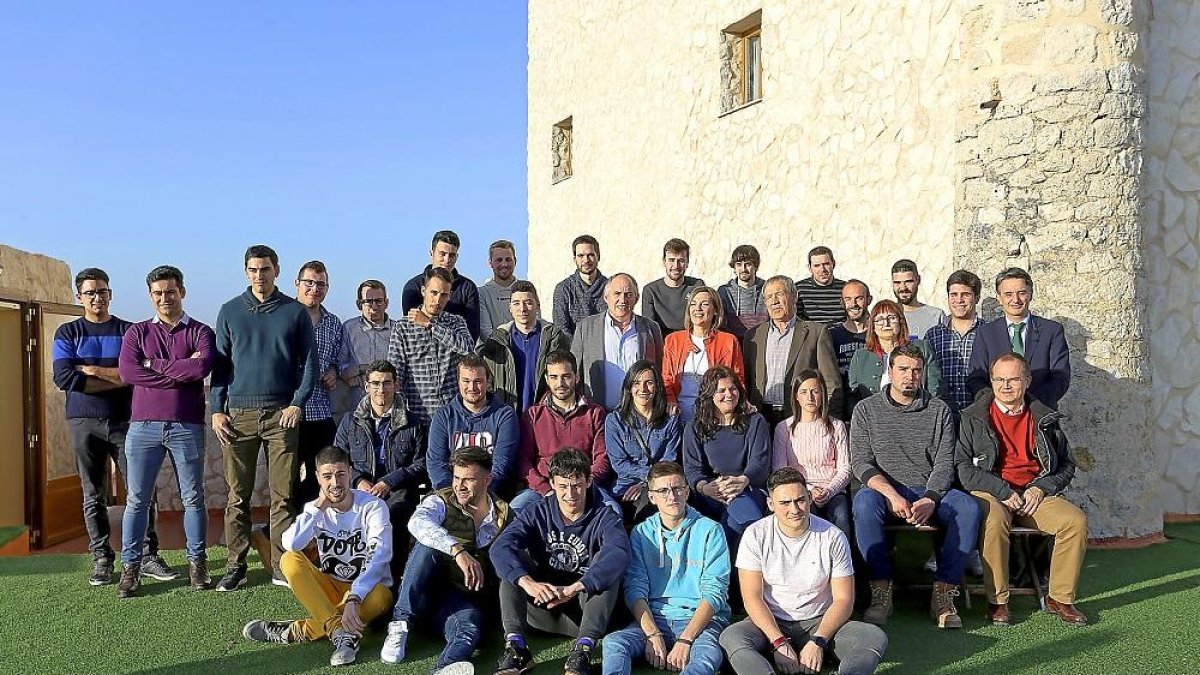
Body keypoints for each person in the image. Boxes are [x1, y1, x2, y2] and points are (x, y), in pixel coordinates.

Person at [210, 244, 318, 590]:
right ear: (246, 272)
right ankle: (235, 565)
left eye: (266, 269)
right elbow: (221, 367)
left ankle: (278, 566)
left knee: (282, 496)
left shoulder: (294, 312)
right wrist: (217, 411)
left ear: (277, 271)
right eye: (254, 270)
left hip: (281, 417)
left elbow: (311, 364)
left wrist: (297, 402)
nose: (260, 275)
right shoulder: (229, 311)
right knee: (237, 496)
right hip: (237, 416)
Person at [850, 343, 979, 628]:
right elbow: (861, 463)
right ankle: (881, 591)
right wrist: (892, 495)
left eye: (916, 370)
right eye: (904, 369)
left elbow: (946, 463)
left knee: (968, 508)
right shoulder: (866, 410)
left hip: (928, 490)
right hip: (886, 492)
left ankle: (944, 593)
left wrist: (931, 498)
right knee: (863, 503)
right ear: (890, 372)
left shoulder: (939, 410)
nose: (910, 376)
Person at [52, 267, 165, 586]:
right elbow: (64, 378)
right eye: (90, 293)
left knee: (142, 491)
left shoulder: (131, 332)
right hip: (83, 422)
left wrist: (94, 372)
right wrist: (118, 376)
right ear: (79, 297)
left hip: (128, 421)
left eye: (102, 291)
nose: (97, 297)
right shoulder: (67, 333)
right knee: (93, 493)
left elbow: (140, 374)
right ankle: (102, 558)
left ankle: (147, 555)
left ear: (110, 294)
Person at [957, 354, 1088, 626]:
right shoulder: (973, 418)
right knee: (993, 521)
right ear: (991, 381)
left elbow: (1066, 465)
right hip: (993, 492)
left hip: (1033, 494)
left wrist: (1041, 488)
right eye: (999, 379)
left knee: (1074, 521)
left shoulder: (1045, 417)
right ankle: (998, 602)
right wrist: (1002, 491)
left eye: (1013, 379)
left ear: (1026, 381)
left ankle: (1060, 597)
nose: (1006, 386)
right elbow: (963, 469)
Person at [719, 468, 887, 675]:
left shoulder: (832, 536)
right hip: (771, 622)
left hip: (821, 622)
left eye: (800, 500)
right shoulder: (755, 535)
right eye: (785, 503)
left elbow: (844, 599)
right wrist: (778, 641)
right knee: (732, 637)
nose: (795, 509)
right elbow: (752, 598)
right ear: (771, 505)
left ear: (809, 498)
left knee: (872, 637)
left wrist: (819, 640)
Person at [241, 446, 394, 668]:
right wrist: (318, 507)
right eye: (327, 476)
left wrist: (354, 597)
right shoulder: (315, 509)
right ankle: (339, 632)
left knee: (382, 596)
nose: (335, 483)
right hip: (330, 588)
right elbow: (290, 544)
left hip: (367, 591)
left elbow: (379, 557)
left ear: (350, 473)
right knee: (289, 560)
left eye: (341, 474)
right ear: (317, 478)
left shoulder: (373, 506)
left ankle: (298, 630)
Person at [115, 265, 215, 597]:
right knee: (136, 501)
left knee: (192, 498)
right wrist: (177, 370)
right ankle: (130, 569)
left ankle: (197, 564)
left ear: (182, 292)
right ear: (150, 296)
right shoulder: (137, 333)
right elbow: (129, 373)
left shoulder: (200, 332)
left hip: (186, 426)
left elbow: (201, 367)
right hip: (142, 428)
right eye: (157, 293)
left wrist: (152, 365)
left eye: (170, 292)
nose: (164, 298)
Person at [489, 449, 631, 675]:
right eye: (563, 486)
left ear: (588, 481)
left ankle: (583, 649)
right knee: (512, 567)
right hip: (543, 607)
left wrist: (576, 587)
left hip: (587, 611)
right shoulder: (537, 511)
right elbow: (500, 547)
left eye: (576, 485)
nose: (571, 494)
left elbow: (619, 554)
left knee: (605, 570)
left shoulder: (605, 517)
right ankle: (517, 648)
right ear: (552, 484)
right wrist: (528, 583)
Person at [382, 447, 515, 673]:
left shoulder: (504, 515)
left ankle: (442, 669)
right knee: (427, 544)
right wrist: (457, 550)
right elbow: (417, 522)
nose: (460, 486)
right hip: (424, 594)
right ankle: (400, 623)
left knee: (469, 628)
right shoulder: (440, 501)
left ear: (487, 479)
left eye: (469, 479)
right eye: (456, 478)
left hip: (461, 601)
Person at [602, 461, 730, 675]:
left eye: (678, 488)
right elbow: (635, 587)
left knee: (708, 656)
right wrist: (652, 634)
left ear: (687, 491)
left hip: (700, 621)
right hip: (655, 618)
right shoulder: (641, 533)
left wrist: (686, 639)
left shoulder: (710, 530)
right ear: (651, 497)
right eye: (663, 490)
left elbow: (715, 592)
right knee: (614, 643)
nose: (672, 496)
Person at [334, 359, 427, 584]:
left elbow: (422, 464)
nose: (381, 389)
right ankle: (352, 576)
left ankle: (394, 578)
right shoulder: (350, 421)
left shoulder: (414, 422)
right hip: (359, 490)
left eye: (386, 383)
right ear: (366, 387)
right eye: (375, 383)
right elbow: (337, 460)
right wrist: (357, 480)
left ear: (397, 385)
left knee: (395, 513)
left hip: (399, 490)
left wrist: (390, 481)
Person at [511, 351, 610, 513]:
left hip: (585, 488)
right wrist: (546, 488)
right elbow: (523, 461)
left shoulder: (594, 413)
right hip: (542, 489)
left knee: (613, 511)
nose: (560, 383)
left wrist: (580, 485)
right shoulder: (533, 414)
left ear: (576, 377)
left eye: (566, 376)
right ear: (546, 379)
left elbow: (602, 458)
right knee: (513, 512)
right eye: (554, 377)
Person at [683, 367, 770, 545]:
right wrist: (704, 487)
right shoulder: (694, 428)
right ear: (709, 395)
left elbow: (760, 462)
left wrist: (741, 481)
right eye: (721, 391)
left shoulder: (755, 422)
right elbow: (692, 468)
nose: (729, 395)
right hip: (710, 490)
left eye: (733, 389)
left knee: (743, 520)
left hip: (747, 488)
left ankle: (726, 568)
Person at [742, 275, 843, 428]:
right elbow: (746, 380)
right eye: (769, 297)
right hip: (761, 417)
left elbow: (831, 383)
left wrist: (829, 420)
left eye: (779, 294)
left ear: (794, 296)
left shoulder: (816, 332)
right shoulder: (753, 336)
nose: (774, 301)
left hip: (801, 417)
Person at [295, 261, 356, 503]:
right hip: (290, 412)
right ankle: (281, 534)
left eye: (320, 284)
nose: (314, 288)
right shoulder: (284, 317)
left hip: (320, 411)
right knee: (286, 478)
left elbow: (336, 360)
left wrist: (332, 370)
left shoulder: (332, 323)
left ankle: (314, 531)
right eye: (309, 282)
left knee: (322, 474)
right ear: (297, 284)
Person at [967, 267, 1071, 410]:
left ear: (1031, 294)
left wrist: (1029, 404)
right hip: (997, 417)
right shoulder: (986, 334)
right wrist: (1001, 405)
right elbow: (976, 378)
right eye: (1008, 294)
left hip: (1040, 413)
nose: (1015, 300)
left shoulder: (1052, 331)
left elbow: (1060, 378)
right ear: (999, 297)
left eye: (1021, 293)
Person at [387, 267, 474, 424]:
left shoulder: (455, 322)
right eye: (434, 293)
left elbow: (468, 348)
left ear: (450, 296)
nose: (438, 300)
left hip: (452, 413)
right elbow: (396, 372)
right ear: (423, 291)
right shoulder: (403, 326)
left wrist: (430, 325)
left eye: (444, 295)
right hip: (417, 414)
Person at [771, 370, 852, 536]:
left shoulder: (836, 426)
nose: (810, 397)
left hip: (831, 489)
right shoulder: (784, 428)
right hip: (798, 491)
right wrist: (808, 489)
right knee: (806, 518)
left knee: (841, 516)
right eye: (804, 392)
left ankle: (844, 559)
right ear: (796, 397)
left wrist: (828, 491)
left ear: (822, 395)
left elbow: (846, 468)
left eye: (815, 391)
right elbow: (780, 470)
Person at [604, 361, 684, 523]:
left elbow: (669, 460)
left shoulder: (671, 419)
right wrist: (647, 479)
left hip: (662, 487)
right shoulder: (615, 420)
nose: (643, 389)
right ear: (629, 387)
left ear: (657, 387)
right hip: (626, 487)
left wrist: (647, 485)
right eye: (637, 383)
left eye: (649, 383)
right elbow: (619, 463)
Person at [428, 356, 520, 496]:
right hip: (451, 492)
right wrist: (450, 495)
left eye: (478, 381)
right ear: (458, 382)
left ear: (487, 382)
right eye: (466, 381)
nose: (472, 387)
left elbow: (502, 464)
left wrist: (478, 494)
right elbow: (436, 462)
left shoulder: (505, 415)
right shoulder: (443, 416)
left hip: (493, 492)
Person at [571, 273, 664, 410]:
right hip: (598, 414)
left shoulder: (651, 328)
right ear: (606, 297)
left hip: (639, 414)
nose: (623, 299)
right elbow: (574, 371)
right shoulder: (586, 328)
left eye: (628, 294)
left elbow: (659, 369)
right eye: (617, 293)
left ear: (636, 298)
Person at [479, 280, 571, 412]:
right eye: (516, 303)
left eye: (528, 302)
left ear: (537, 306)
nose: (522, 309)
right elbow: (489, 382)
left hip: (545, 415)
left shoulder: (553, 338)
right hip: (507, 415)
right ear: (510, 308)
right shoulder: (497, 341)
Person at [662, 285, 745, 423]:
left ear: (716, 311)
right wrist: (670, 400)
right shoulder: (673, 340)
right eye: (693, 304)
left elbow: (738, 379)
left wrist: (742, 404)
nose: (697, 309)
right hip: (678, 416)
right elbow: (666, 379)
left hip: (715, 416)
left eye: (704, 304)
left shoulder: (728, 341)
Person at [847, 300, 944, 411]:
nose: (886, 324)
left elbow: (936, 389)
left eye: (891, 318)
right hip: (873, 419)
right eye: (880, 320)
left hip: (918, 415)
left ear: (900, 322)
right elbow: (853, 395)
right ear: (872, 326)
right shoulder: (861, 356)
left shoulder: (922, 348)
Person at [402, 230, 483, 341]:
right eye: (442, 254)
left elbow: (472, 332)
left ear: (457, 257)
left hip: (458, 353)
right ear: (431, 253)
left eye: (452, 255)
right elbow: (411, 328)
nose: (447, 260)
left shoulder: (467, 288)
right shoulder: (413, 287)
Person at [924, 270, 982, 412]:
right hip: (942, 413)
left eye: (966, 295)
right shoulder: (933, 335)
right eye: (954, 295)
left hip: (978, 413)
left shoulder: (987, 332)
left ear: (977, 298)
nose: (959, 300)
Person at [342, 279, 399, 407]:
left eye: (379, 301)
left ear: (386, 303)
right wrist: (352, 375)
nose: (374, 307)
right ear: (359, 304)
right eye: (368, 302)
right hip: (358, 403)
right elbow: (341, 364)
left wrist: (364, 369)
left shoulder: (398, 330)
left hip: (390, 404)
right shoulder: (349, 328)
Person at [641, 238, 707, 336]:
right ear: (664, 262)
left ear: (687, 263)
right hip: (663, 344)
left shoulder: (697, 286)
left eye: (681, 261)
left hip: (691, 341)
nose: (676, 266)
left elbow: (704, 321)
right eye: (671, 260)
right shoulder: (650, 291)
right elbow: (649, 329)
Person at [553, 234, 608, 339]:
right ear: (574, 259)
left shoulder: (611, 288)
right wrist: (578, 351)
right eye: (581, 256)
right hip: (574, 352)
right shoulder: (563, 289)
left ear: (598, 257)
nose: (586, 260)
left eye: (590, 255)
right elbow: (561, 329)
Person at [828, 279, 872, 403]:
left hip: (871, 399)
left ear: (869, 300)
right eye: (848, 299)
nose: (853, 304)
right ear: (842, 303)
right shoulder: (831, 335)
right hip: (841, 401)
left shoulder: (877, 334)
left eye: (859, 298)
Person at [717, 244, 768, 340]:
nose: (743, 269)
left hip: (761, 343)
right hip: (733, 344)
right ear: (734, 267)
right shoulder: (724, 291)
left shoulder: (767, 289)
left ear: (756, 266)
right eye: (739, 264)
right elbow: (720, 326)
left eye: (748, 264)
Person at [890, 259, 945, 340]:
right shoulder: (883, 317)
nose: (902, 288)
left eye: (908, 282)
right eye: (897, 283)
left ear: (918, 280)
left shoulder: (936, 316)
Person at [479, 239, 521, 341]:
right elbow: (486, 333)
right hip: (494, 352)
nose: (504, 264)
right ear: (490, 263)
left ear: (515, 261)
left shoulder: (526, 290)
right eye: (499, 260)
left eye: (508, 259)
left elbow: (534, 325)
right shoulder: (482, 293)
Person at [795, 246, 846, 325]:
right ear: (810, 268)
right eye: (817, 265)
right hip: (812, 335)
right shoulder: (798, 290)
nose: (822, 270)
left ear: (833, 264)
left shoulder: (846, 289)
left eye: (826, 264)